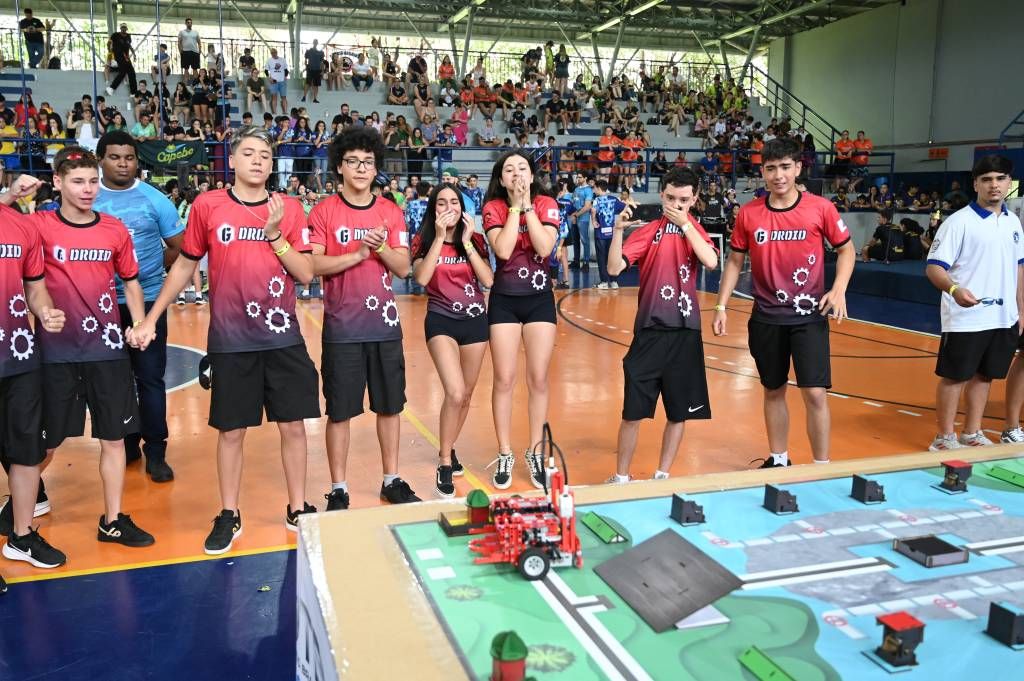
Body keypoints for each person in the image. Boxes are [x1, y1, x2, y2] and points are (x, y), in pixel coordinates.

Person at [132, 127, 320, 554]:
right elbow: (185, 265)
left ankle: (298, 508)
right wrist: (151, 317)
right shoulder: (208, 205)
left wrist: (275, 234)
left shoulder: (289, 208)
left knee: (293, 426)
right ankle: (229, 512)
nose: (258, 161)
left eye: (265, 155)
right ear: (231, 161)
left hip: (282, 338)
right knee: (231, 431)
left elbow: (306, 274)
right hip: (231, 341)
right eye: (248, 153)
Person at [15, 148, 155, 547]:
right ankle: (21, 505)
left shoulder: (113, 229)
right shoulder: (38, 225)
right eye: (78, 181)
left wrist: (140, 322)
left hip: (107, 350)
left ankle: (113, 520)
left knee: (114, 438)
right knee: (46, 442)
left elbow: (130, 281)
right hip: (56, 352)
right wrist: (9, 195)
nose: (87, 189)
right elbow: (24, 270)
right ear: (58, 182)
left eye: (93, 181)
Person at [713, 136, 856, 467]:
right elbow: (734, 261)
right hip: (766, 317)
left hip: (809, 317)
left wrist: (839, 288)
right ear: (762, 172)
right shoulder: (749, 214)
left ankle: (821, 465)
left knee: (815, 393)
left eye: (785, 167)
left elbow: (846, 250)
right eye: (771, 168)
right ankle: (779, 460)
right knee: (773, 390)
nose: (778, 175)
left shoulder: (820, 208)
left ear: (798, 168)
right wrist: (721, 306)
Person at [308, 127, 420, 508]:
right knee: (339, 411)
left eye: (368, 162)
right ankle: (338, 488)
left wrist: (381, 247)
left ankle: (392, 479)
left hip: (384, 327)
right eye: (353, 161)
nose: (360, 168)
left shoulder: (390, 211)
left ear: (376, 169)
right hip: (342, 327)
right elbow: (313, 265)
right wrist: (357, 254)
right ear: (339, 167)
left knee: (390, 406)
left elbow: (403, 267)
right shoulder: (324, 211)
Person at [605, 167, 718, 481]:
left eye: (683, 199)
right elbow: (613, 268)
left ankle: (662, 475)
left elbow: (711, 261)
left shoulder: (696, 231)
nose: (676, 205)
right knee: (632, 411)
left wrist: (686, 225)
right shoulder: (648, 231)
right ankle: (621, 478)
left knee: (678, 412)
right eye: (670, 198)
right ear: (661, 195)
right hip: (650, 330)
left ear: (694, 199)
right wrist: (617, 231)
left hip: (686, 332)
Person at [93, 131, 183, 482]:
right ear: (100, 159)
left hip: (146, 300)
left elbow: (179, 246)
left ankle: (156, 450)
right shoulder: (88, 196)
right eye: (115, 157)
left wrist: (152, 268)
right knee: (114, 380)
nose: (123, 164)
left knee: (149, 378)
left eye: (129, 158)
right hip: (100, 304)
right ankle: (127, 441)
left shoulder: (154, 199)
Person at [924, 155, 1023, 451]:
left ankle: (972, 432)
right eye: (987, 179)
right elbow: (934, 267)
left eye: (1000, 178)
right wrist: (954, 289)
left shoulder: (1013, 222)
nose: (994, 185)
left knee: (985, 376)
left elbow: (1019, 268)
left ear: (1009, 182)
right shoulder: (958, 223)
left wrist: (1020, 310)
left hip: (1003, 316)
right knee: (954, 377)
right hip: (966, 317)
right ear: (976, 184)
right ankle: (944, 438)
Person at [0, 174, 67, 572]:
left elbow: (34, 285)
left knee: (26, 450)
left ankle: (21, 536)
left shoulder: (20, 225)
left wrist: (44, 310)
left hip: (18, 354)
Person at [482, 151, 560, 489]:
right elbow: (502, 250)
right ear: (501, 179)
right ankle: (504, 452)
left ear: (532, 175)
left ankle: (535, 452)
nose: (517, 174)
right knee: (504, 379)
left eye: (522, 169)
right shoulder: (493, 208)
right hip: (505, 301)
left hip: (539, 300)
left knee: (538, 379)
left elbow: (544, 248)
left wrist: (528, 207)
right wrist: (514, 207)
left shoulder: (546, 204)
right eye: (509, 170)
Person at [411, 185, 493, 497]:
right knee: (455, 392)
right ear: (434, 209)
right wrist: (439, 237)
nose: (449, 207)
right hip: (441, 319)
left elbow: (487, 280)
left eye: (455, 202)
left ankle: (449, 446)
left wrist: (467, 241)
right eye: (442, 203)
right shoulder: (423, 240)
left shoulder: (475, 240)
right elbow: (421, 278)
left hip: (475, 320)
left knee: (467, 395)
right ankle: (445, 461)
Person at [591, 180, 624, 290]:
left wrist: (593, 220)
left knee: (601, 258)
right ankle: (614, 282)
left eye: (594, 188)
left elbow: (593, 211)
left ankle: (604, 282)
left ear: (599, 188)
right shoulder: (614, 199)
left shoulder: (596, 200)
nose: (594, 190)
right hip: (612, 234)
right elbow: (625, 208)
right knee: (613, 258)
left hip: (600, 234)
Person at [106, 23, 138, 97]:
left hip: (126, 57)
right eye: (122, 27)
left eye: (124, 27)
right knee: (124, 71)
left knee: (131, 73)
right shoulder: (115, 35)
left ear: (126, 29)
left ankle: (133, 92)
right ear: (120, 28)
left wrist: (134, 54)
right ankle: (111, 88)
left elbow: (129, 46)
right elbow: (109, 43)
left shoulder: (128, 36)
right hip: (118, 55)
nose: (123, 29)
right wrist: (110, 52)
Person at [570, 173, 594, 270]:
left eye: (580, 177)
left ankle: (586, 263)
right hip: (575, 218)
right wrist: (573, 215)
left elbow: (587, 207)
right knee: (575, 240)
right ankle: (576, 261)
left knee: (584, 240)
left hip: (583, 219)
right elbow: (572, 203)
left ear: (585, 178)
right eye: (577, 177)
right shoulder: (576, 189)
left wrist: (576, 215)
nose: (578, 179)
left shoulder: (588, 190)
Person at [265, 48, 289, 115]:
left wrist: (285, 77)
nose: (273, 54)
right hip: (274, 81)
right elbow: (266, 71)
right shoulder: (269, 60)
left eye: (274, 52)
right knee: (274, 97)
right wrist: (269, 78)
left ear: (276, 52)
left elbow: (286, 70)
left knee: (284, 97)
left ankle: (285, 111)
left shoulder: (282, 60)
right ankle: (274, 112)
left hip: (282, 81)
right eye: (272, 53)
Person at [301, 39, 324, 104]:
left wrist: (322, 70)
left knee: (316, 85)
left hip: (317, 70)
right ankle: (304, 97)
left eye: (316, 42)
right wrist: (306, 66)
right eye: (314, 42)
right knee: (308, 83)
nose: (315, 43)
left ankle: (315, 98)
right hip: (310, 69)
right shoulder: (309, 51)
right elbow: (305, 59)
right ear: (313, 42)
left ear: (317, 43)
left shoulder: (320, 52)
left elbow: (322, 62)